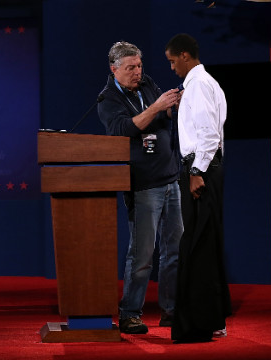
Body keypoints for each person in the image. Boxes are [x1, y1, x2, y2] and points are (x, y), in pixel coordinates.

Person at [97, 41, 183, 334]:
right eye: (131, 68)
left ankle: (171, 311)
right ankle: (130, 313)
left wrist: (172, 107)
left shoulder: (146, 84)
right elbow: (124, 129)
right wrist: (158, 106)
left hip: (170, 178)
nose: (137, 72)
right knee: (143, 255)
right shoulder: (108, 99)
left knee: (174, 251)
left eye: (139, 66)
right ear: (114, 69)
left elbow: (163, 116)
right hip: (143, 184)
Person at [165, 33, 231, 343]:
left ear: (186, 56)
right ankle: (211, 318)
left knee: (197, 245)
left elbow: (208, 136)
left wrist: (195, 171)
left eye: (173, 60)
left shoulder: (200, 85)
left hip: (200, 170)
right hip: (203, 169)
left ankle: (200, 322)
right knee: (204, 243)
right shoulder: (197, 86)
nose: (172, 67)